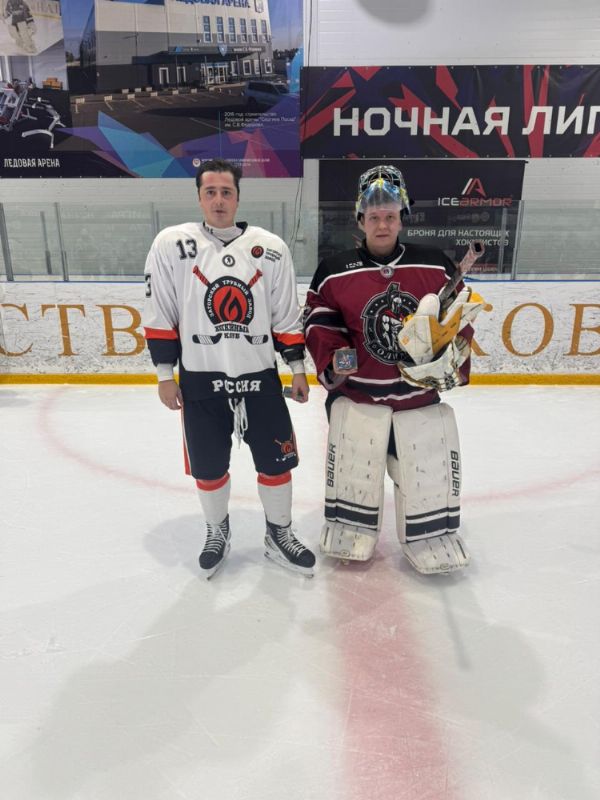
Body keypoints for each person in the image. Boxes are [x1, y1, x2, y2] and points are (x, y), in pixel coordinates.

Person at [304, 165, 488, 574]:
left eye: (389, 215)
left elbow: (458, 317)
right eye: (374, 217)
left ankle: (430, 533)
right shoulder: (334, 270)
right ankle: (349, 526)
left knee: (424, 471)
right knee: (356, 466)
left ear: (402, 217)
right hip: (359, 397)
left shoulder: (435, 265)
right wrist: (335, 361)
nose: (382, 224)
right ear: (360, 220)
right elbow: (319, 322)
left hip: (416, 399)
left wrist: (449, 358)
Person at [142, 158, 315, 579]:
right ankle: (217, 531)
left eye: (226, 192)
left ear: (238, 197)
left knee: (277, 462)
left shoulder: (270, 248)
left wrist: (296, 366)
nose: (219, 200)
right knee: (208, 467)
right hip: (201, 380)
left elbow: (285, 315)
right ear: (199, 197)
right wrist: (165, 375)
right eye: (210, 192)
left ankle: (279, 533)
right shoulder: (172, 245)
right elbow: (160, 310)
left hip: (260, 378)